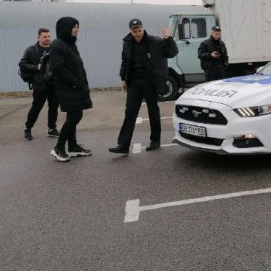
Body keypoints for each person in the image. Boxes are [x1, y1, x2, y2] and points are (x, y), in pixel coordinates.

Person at [109, 18, 178, 155]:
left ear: (143, 29)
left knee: (153, 111)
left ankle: (155, 140)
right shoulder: (127, 43)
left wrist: (168, 39)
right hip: (134, 82)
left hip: (150, 82)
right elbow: (125, 61)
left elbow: (171, 53)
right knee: (130, 112)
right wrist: (123, 78)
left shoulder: (155, 41)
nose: (138, 34)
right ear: (130, 31)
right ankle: (123, 144)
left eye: (139, 30)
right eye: (134, 31)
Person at [48, 17, 93, 162]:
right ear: (65, 28)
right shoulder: (57, 45)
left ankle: (72, 146)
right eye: (74, 26)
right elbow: (57, 68)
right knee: (75, 116)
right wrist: (74, 82)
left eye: (77, 26)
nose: (76, 29)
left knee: (73, 115)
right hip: (68, 87)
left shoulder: (70, 44)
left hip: (76, 86)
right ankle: (59, 147)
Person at [19, 28, 59, 141]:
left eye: (49, 36)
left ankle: (52, 129)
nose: (48, 39)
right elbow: (22, 64)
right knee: (36, 107)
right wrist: (37, 67)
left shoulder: (54, 49)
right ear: (39, 37)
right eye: (45, 37)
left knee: (54, 107)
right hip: (40, 84)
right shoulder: (31, 50)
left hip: (54, 83)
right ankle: (28, 129)